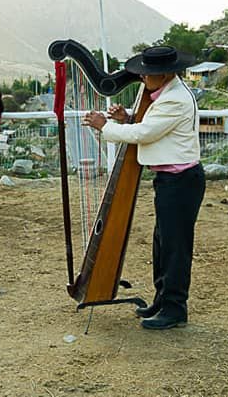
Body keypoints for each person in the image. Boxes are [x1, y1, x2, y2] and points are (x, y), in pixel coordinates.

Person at [83, 46, 205, 330]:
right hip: (171, 180)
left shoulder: (174, 100)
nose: (141, 79)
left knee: (175, 248)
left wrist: (105, 127)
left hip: (181, 181)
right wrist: (126, 119)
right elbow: (149, 127)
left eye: (146, 75)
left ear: (162, 75)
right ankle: (162, 299)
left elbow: (145, 134)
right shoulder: (165, 95)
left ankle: (175, 309)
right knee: (162, 244)